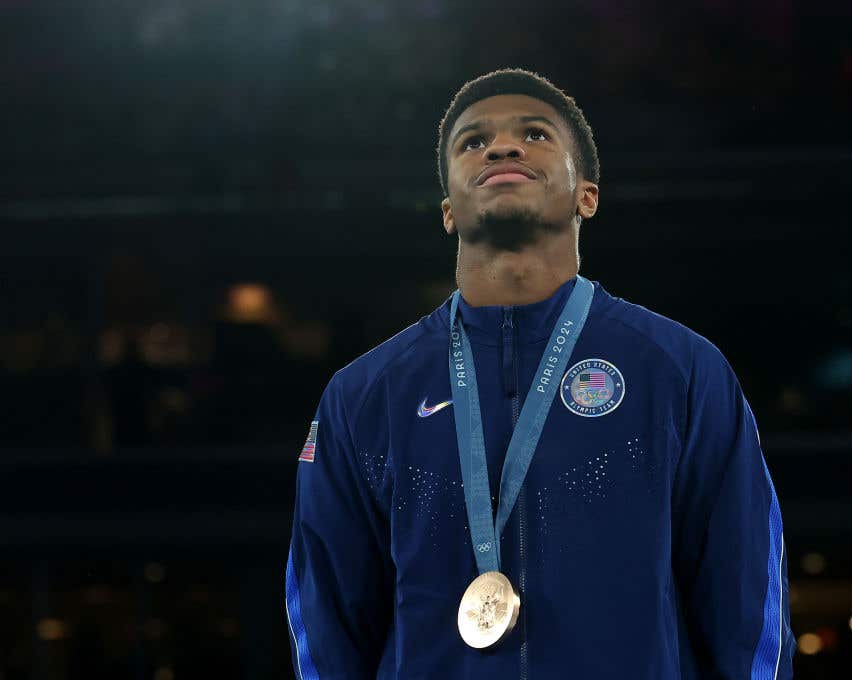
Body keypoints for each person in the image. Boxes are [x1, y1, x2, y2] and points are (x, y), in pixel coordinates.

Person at [285, 68, 795, 679]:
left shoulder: (680, 370)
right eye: (473, 143)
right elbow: (326, 620)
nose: (502, 147)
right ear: (448, 208)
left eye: (535, 134)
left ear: (588, 194)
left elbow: (745, 601)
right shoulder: (364, 395)